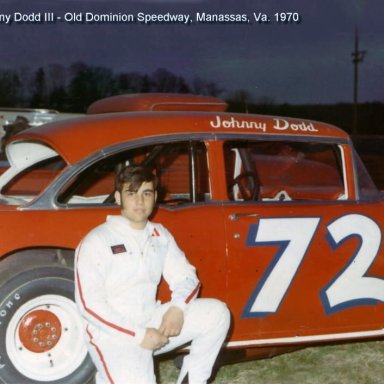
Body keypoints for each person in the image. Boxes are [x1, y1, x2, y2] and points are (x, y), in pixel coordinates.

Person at [74, 165, 230, 384]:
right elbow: (89, 304)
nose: (140, 201)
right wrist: (139, 335)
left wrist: (177, 308)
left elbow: (187, 277)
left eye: (146, 193)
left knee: (217, 313)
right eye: (132, 193)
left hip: (150, 319)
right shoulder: (98, 240)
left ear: (155, 197)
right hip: (113, 334)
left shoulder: (159, 234)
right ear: (118, 198)